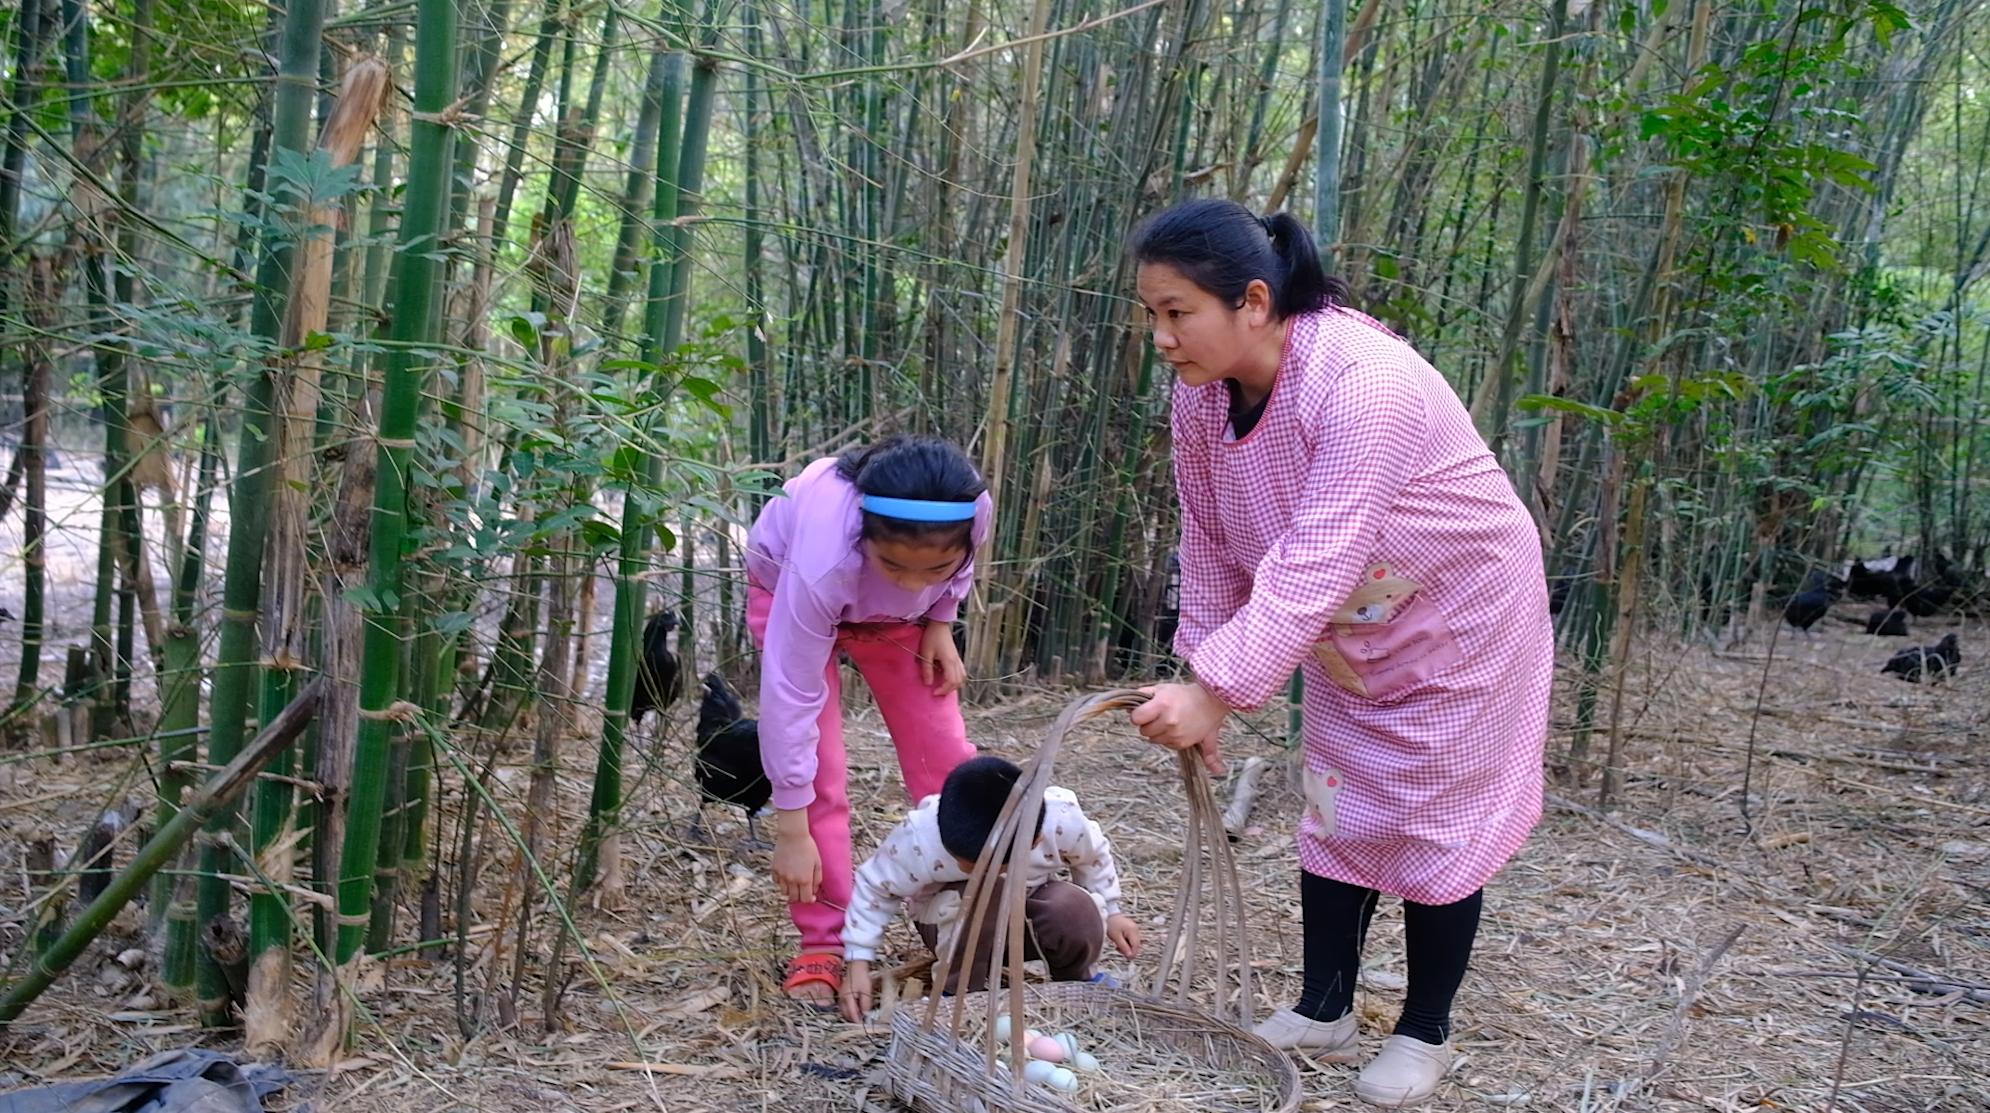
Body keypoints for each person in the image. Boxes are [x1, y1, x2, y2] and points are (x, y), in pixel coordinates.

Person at [1122, 198, 1553, 1108]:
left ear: (1252, 301)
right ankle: (1325, 1004)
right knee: (1336, 798)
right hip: (1345, 620)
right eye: (1151, 313)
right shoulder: (1200, 394)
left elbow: (1322, 547)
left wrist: (1220, 688)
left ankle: (1424, 1029)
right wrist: (1201, 673)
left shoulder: (1363, 379)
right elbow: (1208, 539)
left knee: (1435, 815)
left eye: (1177, 312)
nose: (1161, 336)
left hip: (1462, 611)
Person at [746, 435, 992, 1006]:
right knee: (820, 773)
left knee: (945, 758)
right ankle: (823, 940)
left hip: (903, 624)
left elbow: (959, 566)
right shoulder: (823, 561)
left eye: (934, 566)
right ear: (864, 536)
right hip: (788, 591)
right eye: (894, 565)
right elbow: (790, 698)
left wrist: (940, 616)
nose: (912, 580)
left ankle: (972, 903)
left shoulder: (972, 504)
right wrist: (790, 829)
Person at [835, 755, 1142, 1022]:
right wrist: (858, 962)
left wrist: (1113, 911)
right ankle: (960, 995)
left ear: (1032, 843)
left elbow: (1093, 856)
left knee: (1073, 906)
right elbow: (876, 887)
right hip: (951, 924)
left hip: (1024, 911)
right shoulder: (920, 837)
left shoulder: (1059, 820)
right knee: (986, 889)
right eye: (964, 862)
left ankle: (1075, 983)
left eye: (978, 863)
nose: (971, 867)